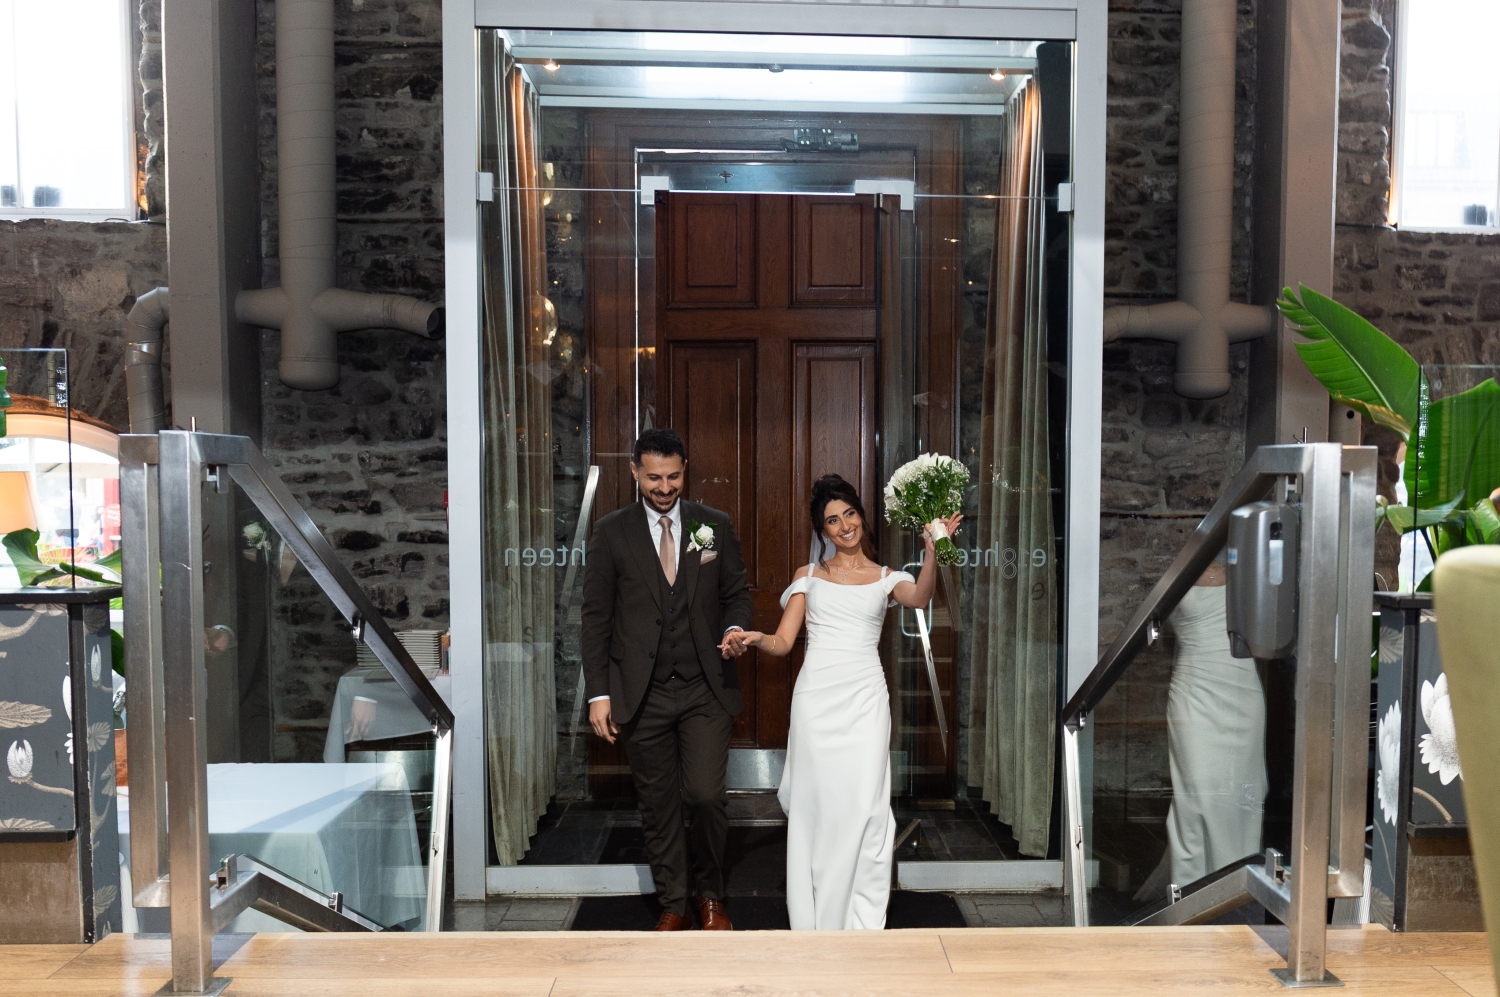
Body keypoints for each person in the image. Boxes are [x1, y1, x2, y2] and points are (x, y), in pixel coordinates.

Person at [725, 474, 961, 929]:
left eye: (849, 514)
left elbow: (921, 596)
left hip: (865, 701)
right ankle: (816, 914)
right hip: (816, 702)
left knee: (867, 806)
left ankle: (860, 919)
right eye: (832, 520)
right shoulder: (808, 577)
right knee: (819, 805)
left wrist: (932, 550)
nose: (844, 525)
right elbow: (783, 642)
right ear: (822, 532)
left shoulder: (887, 577)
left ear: (862, 517)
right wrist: (754, 638)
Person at [580, 428, 754, 931]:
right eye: (653, 477)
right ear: (634, 472)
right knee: (657, 806)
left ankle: (712, 897)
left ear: (685, 470)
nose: (664, 487)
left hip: (705, 688)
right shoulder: (612, 532)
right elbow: (596, 618)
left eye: (673, 476)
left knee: (704, 796)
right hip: (641, 693)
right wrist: (599, 693)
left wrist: (735, 628)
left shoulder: (713, 525)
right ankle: (674, 903)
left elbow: (736, 595)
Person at [1163, 557, 1267, 887]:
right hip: (1194, 691)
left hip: (1242, 692)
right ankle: (1190, 891)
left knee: (1242, 793)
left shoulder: (1251, 574)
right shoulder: (1176, 573)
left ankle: (1238, 883)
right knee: (1197, 793)